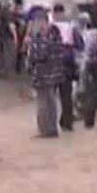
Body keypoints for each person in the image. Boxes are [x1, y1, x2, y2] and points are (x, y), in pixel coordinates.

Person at [25, 8, 68, 138]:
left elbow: (39, 54)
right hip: (55, 73)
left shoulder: (42, 36)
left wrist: (31, 46)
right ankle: (52, 128)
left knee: (43, 103)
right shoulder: (56, 33)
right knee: (51, 101)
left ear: (42, 22)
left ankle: (44, 130)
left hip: (43, 74)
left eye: (35, 22)